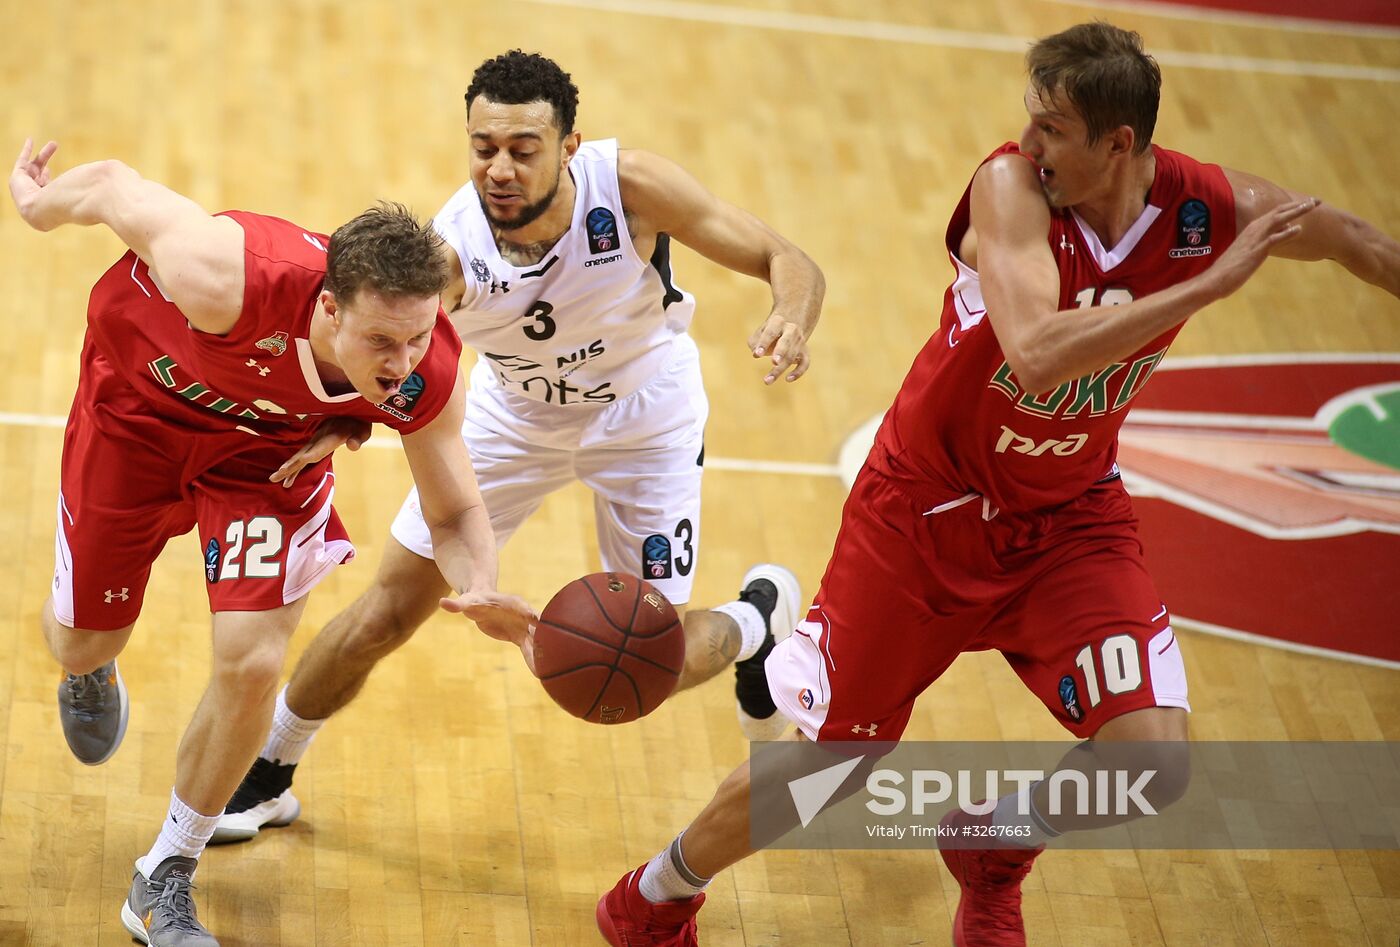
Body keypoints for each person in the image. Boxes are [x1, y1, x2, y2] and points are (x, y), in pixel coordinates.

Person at [592, 21, 1400, 947]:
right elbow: (1039, 354)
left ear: (1119, 144)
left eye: (1052, 128)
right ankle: (653, 895)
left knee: (1152, 758)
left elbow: (1353, 240)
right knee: (833, 764)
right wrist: (1208, 288)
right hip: (923, 515)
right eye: (1030, 119)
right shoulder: (1009, 191)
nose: (1027, 141)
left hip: (1067, 518)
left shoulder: (1205, 209)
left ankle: (994, 843)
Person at [211, 50, 825, 843]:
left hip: (646, 417)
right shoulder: (451, 252)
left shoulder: (631, 189)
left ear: (570, 147)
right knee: (386, 611)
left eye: (522, 149)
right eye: (483, 147)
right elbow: (383, 343)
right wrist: (349, 412)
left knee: (643, 667)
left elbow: (788, 258)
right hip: (515, 416)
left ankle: (757, 620)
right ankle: (268, 770)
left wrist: (791, 316)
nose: (498, 169)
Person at [8, 139, 533, 947]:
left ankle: (165, 871)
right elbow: (113, 185)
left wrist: (482, 583)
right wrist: (36, 205)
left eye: (417, 338)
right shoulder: (223, 275)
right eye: (382, 342)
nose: (403, 363)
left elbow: (457, 509)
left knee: (253, 660)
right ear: (329, 309)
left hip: (268, 460)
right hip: (136, 414)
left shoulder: (424, 370)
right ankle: (87, 668)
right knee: (83, 637)